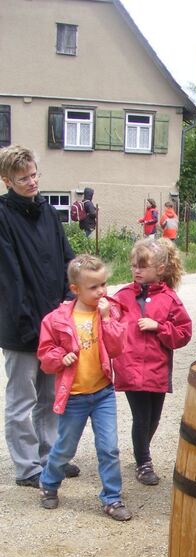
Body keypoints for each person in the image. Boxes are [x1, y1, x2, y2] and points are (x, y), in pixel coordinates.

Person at [0, 144, 80, 487]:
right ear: (7, 180)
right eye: (23, 178)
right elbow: (9, 275)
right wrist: (28, 322)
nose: (32, 182)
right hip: (20, 325)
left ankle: (51, 457)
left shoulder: (48, 212)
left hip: (54, 323)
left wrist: (69, 301)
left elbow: (66, 259)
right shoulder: (3, 216)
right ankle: (27, 466)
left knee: (50, 396)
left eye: (34, 174)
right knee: (22, 398)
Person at [37, 254, 131, 521]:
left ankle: (112, 498)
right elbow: (45, 356)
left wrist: (107, 319)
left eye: (103, 284)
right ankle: (49, 483)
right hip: (75, 397)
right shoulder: (56, 319)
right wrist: (59, 358)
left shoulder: (108, 311)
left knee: (109, 447)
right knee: (65, 448)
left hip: (102, 394)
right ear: (75, 289)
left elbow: (116, 348)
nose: (101, 291)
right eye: (93, 287)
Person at [112, 238, 192, 485]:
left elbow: (183, 333)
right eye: (134, 265)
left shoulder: (170, 299)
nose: (136, 270)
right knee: (141, 416)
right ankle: (143, 462)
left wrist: (160, 327)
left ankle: (140, 451)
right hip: (130, 369)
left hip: (157, 369)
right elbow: (108, 325)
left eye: (143, 266)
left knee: (154, 417)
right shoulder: (122, 296)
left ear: (160, 269)